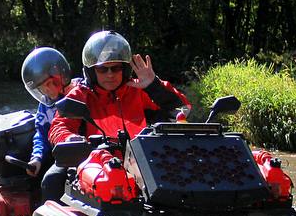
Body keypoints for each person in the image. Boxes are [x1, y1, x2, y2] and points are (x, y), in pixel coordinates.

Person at [48, 30, 190, 146]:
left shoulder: (140, 89)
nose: (110, 74)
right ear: (91, 72)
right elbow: (58, 127)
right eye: (103, 69)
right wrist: (69, 138)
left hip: (142, 160)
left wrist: (154, 86)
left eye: (116, 68)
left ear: (125, 69)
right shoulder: (80, 95)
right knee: (51, 179)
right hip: (94, 162)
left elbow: (183, 111)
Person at [20, 46, 73, 202]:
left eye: (51, 83)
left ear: (61, 74)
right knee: (46, 181)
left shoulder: (81, 90)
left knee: (51, 181)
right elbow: (41, 135)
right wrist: (36, 158)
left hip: (85, 153)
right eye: (43, 88)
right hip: (60, 156)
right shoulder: (45, 106)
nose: (49, 90)